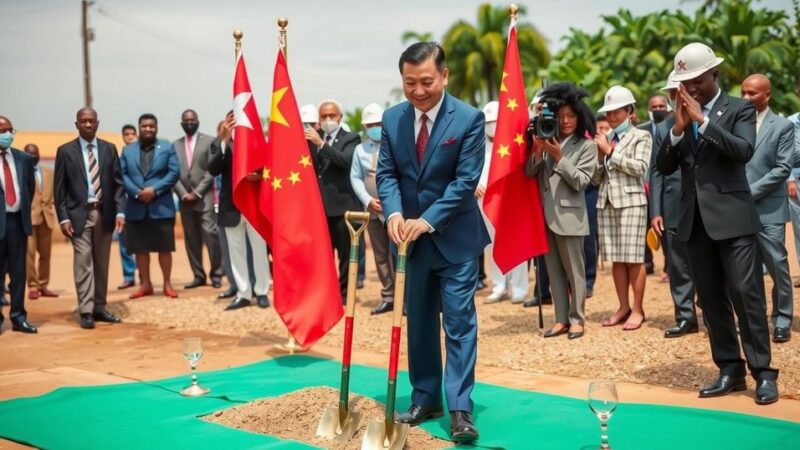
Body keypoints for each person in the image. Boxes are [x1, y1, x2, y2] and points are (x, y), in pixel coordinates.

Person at [377, 42, 489, 442]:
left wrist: (427, 220)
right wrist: (392, 213)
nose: (418, 90)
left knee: (459, 323)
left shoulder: (469, 119)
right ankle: (425, 397)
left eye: (426, 81)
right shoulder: (391, 119)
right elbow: (387, 173)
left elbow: (465, 181)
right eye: (410, 83)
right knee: (420, 323)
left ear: (444, 75)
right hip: (409, 243)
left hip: (455, 239)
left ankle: (460, 408)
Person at [657, 42, 778, 405]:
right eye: (684, 81)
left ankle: (764, 373)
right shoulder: (675, 119)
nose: (689, 88)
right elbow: (663, 168)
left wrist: (702, 121)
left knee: (746, 296)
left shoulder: (740, 108)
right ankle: (730, 368)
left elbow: (743, 151)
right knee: (710, 301)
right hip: (694, 223)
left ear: (714, 74)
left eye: (695, 79)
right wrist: (677, 131)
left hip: (734, 219)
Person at [525, 83, 597, 339]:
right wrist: (537, 151)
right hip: (545, 218)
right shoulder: (548, 139)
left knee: (575, 272)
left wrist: (558, 157)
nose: (566, 121)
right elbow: (529, 173)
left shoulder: (586, 146)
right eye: (561, 116)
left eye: (571, 116)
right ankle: (560, 319)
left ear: (580, 117)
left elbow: (581, 181)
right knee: (553, 272)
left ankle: (577, 319)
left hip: (570, 218)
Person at [54, 108, 125, 330]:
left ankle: (100, 307)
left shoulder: (109, 149)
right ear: (76, 125)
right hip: (78, 215)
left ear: (97, 124)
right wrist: (63, 217)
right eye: (83, 121)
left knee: (102, 263)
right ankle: (86, 310)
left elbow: (118, 184)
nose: (87, 125)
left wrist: (120, 212)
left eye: (91, 121)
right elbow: (60, 189)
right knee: (83, 262)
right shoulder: (65, 151)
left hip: (104, 213)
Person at [741, 73, 795, 343]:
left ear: (767, 95)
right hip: (739, 210)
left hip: (769, 208)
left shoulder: (782, 126)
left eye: (752, 93)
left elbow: (782, 168)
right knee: (748, 268)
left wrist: (749, 192)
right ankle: (754, 319)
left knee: (777, 265)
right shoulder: (737, 122)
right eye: (744, 92)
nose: (746, 98)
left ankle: (783, 319)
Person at [593, 85, 652, 331]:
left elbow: (640, 168)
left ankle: (638, 309)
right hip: (606, 201)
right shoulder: (604, 138)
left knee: (634, 259)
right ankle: (623, 306)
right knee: (617, 259)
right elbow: (597, 178)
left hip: (631, 203)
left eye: (618, 111)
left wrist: (611, 152)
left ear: (630, 111)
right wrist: (599, 156)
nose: (613, 116)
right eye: (609, 112)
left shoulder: (641, 136)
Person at [649, 71, 698, 339]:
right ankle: (685, 317)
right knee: (678, 264)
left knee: (708, 262)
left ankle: (714, 313)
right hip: (673, 205)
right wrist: (655, 211)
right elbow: (656, 172)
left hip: (706, 202)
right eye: (671, 94)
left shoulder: (707, 119)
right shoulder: (661, 128)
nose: (674, 98)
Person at [208, 112, 271, 310]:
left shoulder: (259, 142)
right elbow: (213, 169)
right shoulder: (219, 144)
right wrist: (224, 140)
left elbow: (272, 168)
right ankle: (243, 293)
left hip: (254, 205)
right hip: (231, 207)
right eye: (232, 119)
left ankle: (261, 291)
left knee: (260, 251)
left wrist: (260, 175)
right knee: (236, 253)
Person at [305, 99, 361, 303]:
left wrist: (321, 145)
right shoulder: (312, 137)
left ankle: (345, 295)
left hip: (343, 207)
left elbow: (345, 162)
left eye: (332, 116)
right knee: (322, 256)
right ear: (318, 120)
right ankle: (326, 292)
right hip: (319, 209)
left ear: (340, 117)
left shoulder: (351, 138)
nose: (328, 120)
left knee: (346, 256)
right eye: (324, 116)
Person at [120, 113, 180, 299]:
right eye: (144, 126)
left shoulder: (167, 146)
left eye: (151, 126)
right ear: (139, 128)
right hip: (136, 207)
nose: (148, 129)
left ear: (156, 128)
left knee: (164, 248)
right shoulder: (127, 151)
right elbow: (122, 175)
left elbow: (174, 172)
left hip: (161, 206)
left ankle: (167, 284)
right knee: (140, 249)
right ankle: (145, 284)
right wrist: (138, 192)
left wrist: (154, 190)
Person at [477, 101, 529, 304]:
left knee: (515, 242)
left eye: (494, 121)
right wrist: (473, 187)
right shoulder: (477, 143)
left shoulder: (513, 143)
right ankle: (499, 285)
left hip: (510, 200)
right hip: (485, 201)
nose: (491, 125)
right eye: (488, 122)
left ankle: (519, 287)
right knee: (492, 245)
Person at [349, 103, 396, 315]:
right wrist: (367, 200)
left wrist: (391, 200)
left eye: (378, 123)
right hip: (372, 210)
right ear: (365, 127)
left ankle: (406, 298)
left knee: (398, 253)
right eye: (370, 124)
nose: (375, 127)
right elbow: (356, 177)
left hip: (395, 209)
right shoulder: (360, 150)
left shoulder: (395, 143)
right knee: (380, 255)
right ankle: (389, 296)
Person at [172, 109, 223, 289]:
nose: (190, 122)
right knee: (191, 238)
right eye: (186, 120)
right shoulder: (175, 145)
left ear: (198, 121)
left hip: (205, 197)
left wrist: (198, 192)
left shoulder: (209, 141)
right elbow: (172, 172)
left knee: (210, 235)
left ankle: (216, 274)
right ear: (181, 123)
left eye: (193, 119)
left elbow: (212, 170)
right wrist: (182, 193)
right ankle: (198, 275)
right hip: (184, 199)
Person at [0, 116, 37, 334]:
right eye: (2, 130)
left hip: (17, 223)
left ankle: (18, 317)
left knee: (18, 273)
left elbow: (29, 189)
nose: (6, 134)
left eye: (9, 130)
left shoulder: (24, 159)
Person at [24, 143, 58, 300]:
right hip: (28, 219)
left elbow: (57, 195)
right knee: (29, 255)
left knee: (46, 255)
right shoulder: (20, 172)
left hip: (47, 218)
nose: (32, 157)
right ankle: (32, 286)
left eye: (35, 153)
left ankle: (43, 285)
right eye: (29, 154)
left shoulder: (49, 173)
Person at [116, 125, 138, 289]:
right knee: (124, 244)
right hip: (125, 206)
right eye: (126, 134)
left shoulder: (143, 155)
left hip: (144, 205)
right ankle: (129, 276)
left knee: (143, 243)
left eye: (132, 134)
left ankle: (144, 276)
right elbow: (118, 186)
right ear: (123, 137)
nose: (130, 137)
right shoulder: (119, 158)